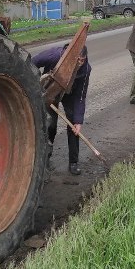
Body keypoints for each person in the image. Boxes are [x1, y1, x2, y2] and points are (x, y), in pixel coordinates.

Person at [32, 44, 91, 176]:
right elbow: (32, 62)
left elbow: (80, 97)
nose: (80, 64)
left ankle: (73, 163)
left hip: (69, 93)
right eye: (78, 60)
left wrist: (78, 121)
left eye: (82, 60)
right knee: (50, 125)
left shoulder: (86, 69)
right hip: (51, 90)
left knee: (73, 126)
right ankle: (46, 157)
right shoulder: (54, 55)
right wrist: (37, 82)